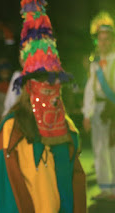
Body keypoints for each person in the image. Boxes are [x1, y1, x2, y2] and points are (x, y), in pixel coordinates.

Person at [0, 1, 86, 212]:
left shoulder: (68, 128)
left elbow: (76, 181)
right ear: (28, 86)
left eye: (54, 79)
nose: (50, 85)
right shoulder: (12, 130)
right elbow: (6, 186)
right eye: (42, 78)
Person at [83, 11, 115, 200]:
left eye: (106, 39)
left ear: (111, 40)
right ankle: (105, 187)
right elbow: (89, 90)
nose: (103, 43)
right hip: (98, 111)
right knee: (99, 147)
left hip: (113, 109)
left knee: (113, 148)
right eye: (100, 39)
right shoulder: (94, 63)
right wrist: (87, 114)